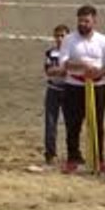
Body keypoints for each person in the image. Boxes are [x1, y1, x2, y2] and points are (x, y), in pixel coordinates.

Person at [58, 5, 105, 174]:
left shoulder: (103, 41)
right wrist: (82, 66)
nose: (82, 24)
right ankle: (73, 158)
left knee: (97, 124)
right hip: (74, 86)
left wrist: (98, 73)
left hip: (97, 86)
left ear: (94, 21)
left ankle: (99, 159)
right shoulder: (69, 40)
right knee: (73, 125)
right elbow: (64, 63)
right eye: (80, 21)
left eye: (86, 21)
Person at [43, 24, 70, 165]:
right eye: (57, 36)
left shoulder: (72, 53)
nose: (59, 39)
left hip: (69, 91)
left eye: (62, 36)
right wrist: (63, 70)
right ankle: (50, 153)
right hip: (53, 90)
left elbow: (70, 72)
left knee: (71, 123)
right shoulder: (51, 53)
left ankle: (72, 153)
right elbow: (49, 71)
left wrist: (59, 70)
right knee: (50, 123)